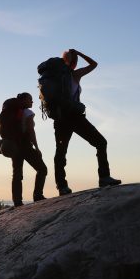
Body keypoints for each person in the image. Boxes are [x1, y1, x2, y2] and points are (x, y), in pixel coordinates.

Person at [53, 49, 121, 195]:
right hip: (74, 116)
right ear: (74, 63)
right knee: (100, 142)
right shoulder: (74, 74)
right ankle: (104, 177)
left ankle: (62, 186)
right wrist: (79, 53)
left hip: (59, 119)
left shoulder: (54, 76)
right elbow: (94, 64)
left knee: (61, 152)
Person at [0, 93, 47, 207]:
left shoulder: (11, 111)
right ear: (24, 99)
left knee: (17, 174)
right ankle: (38, 195)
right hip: (25, 145)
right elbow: (30, 130)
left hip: (14, 145)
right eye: (30, 99)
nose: (32, 102)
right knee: (42, 169)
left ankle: (17, 201)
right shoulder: (27, 112)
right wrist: (36, 147)